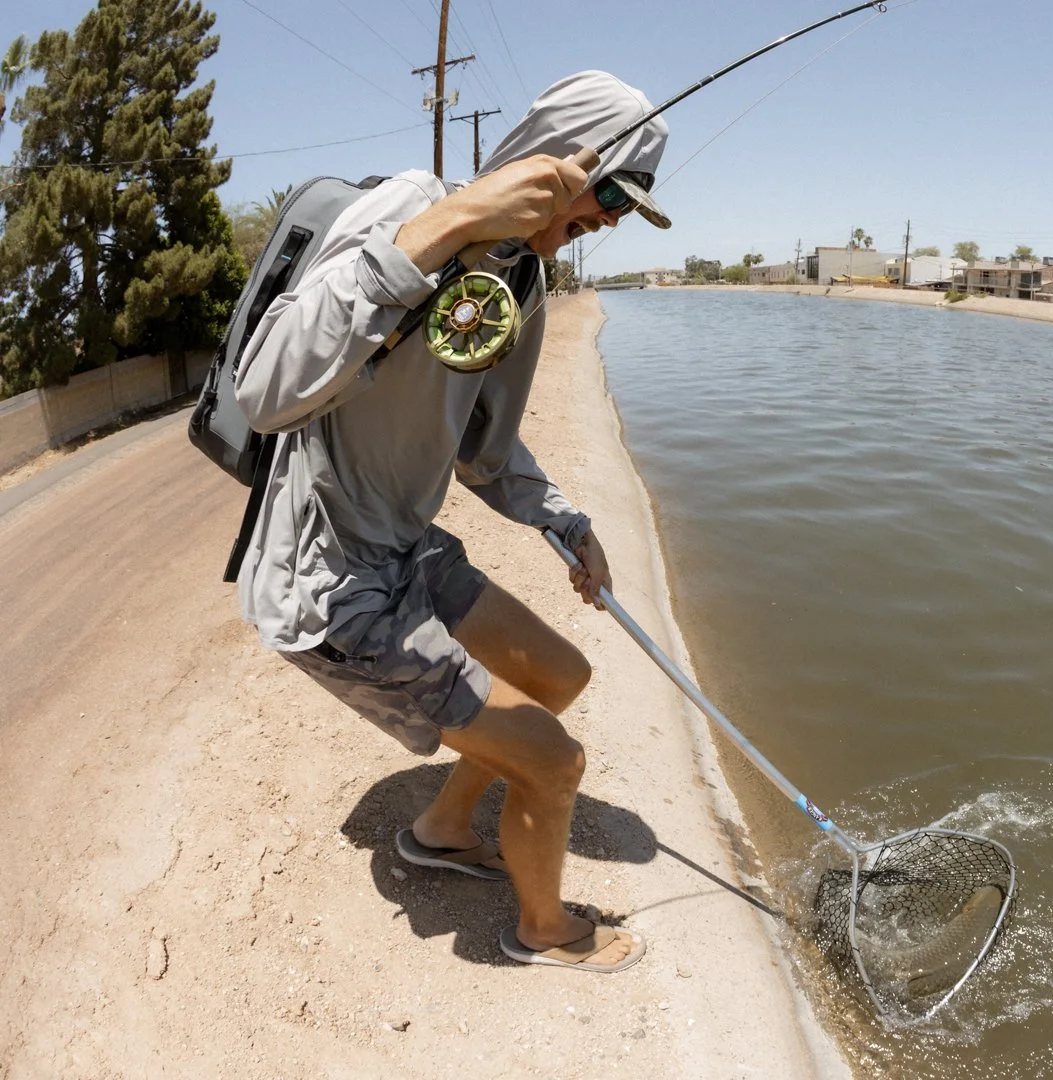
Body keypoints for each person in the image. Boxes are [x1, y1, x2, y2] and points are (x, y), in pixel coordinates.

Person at [233, 71, 671, 973]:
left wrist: (566, 522)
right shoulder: (412, 209)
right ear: (557, 157)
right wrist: (448, 226)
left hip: (408, 547)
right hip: (333, 581)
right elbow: (266, 388)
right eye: (606, 196)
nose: (609, 223)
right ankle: (544, 932)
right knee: (555, 765)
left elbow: (485, 449)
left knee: (560, 671)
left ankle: (439, 830)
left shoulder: (524, 281)